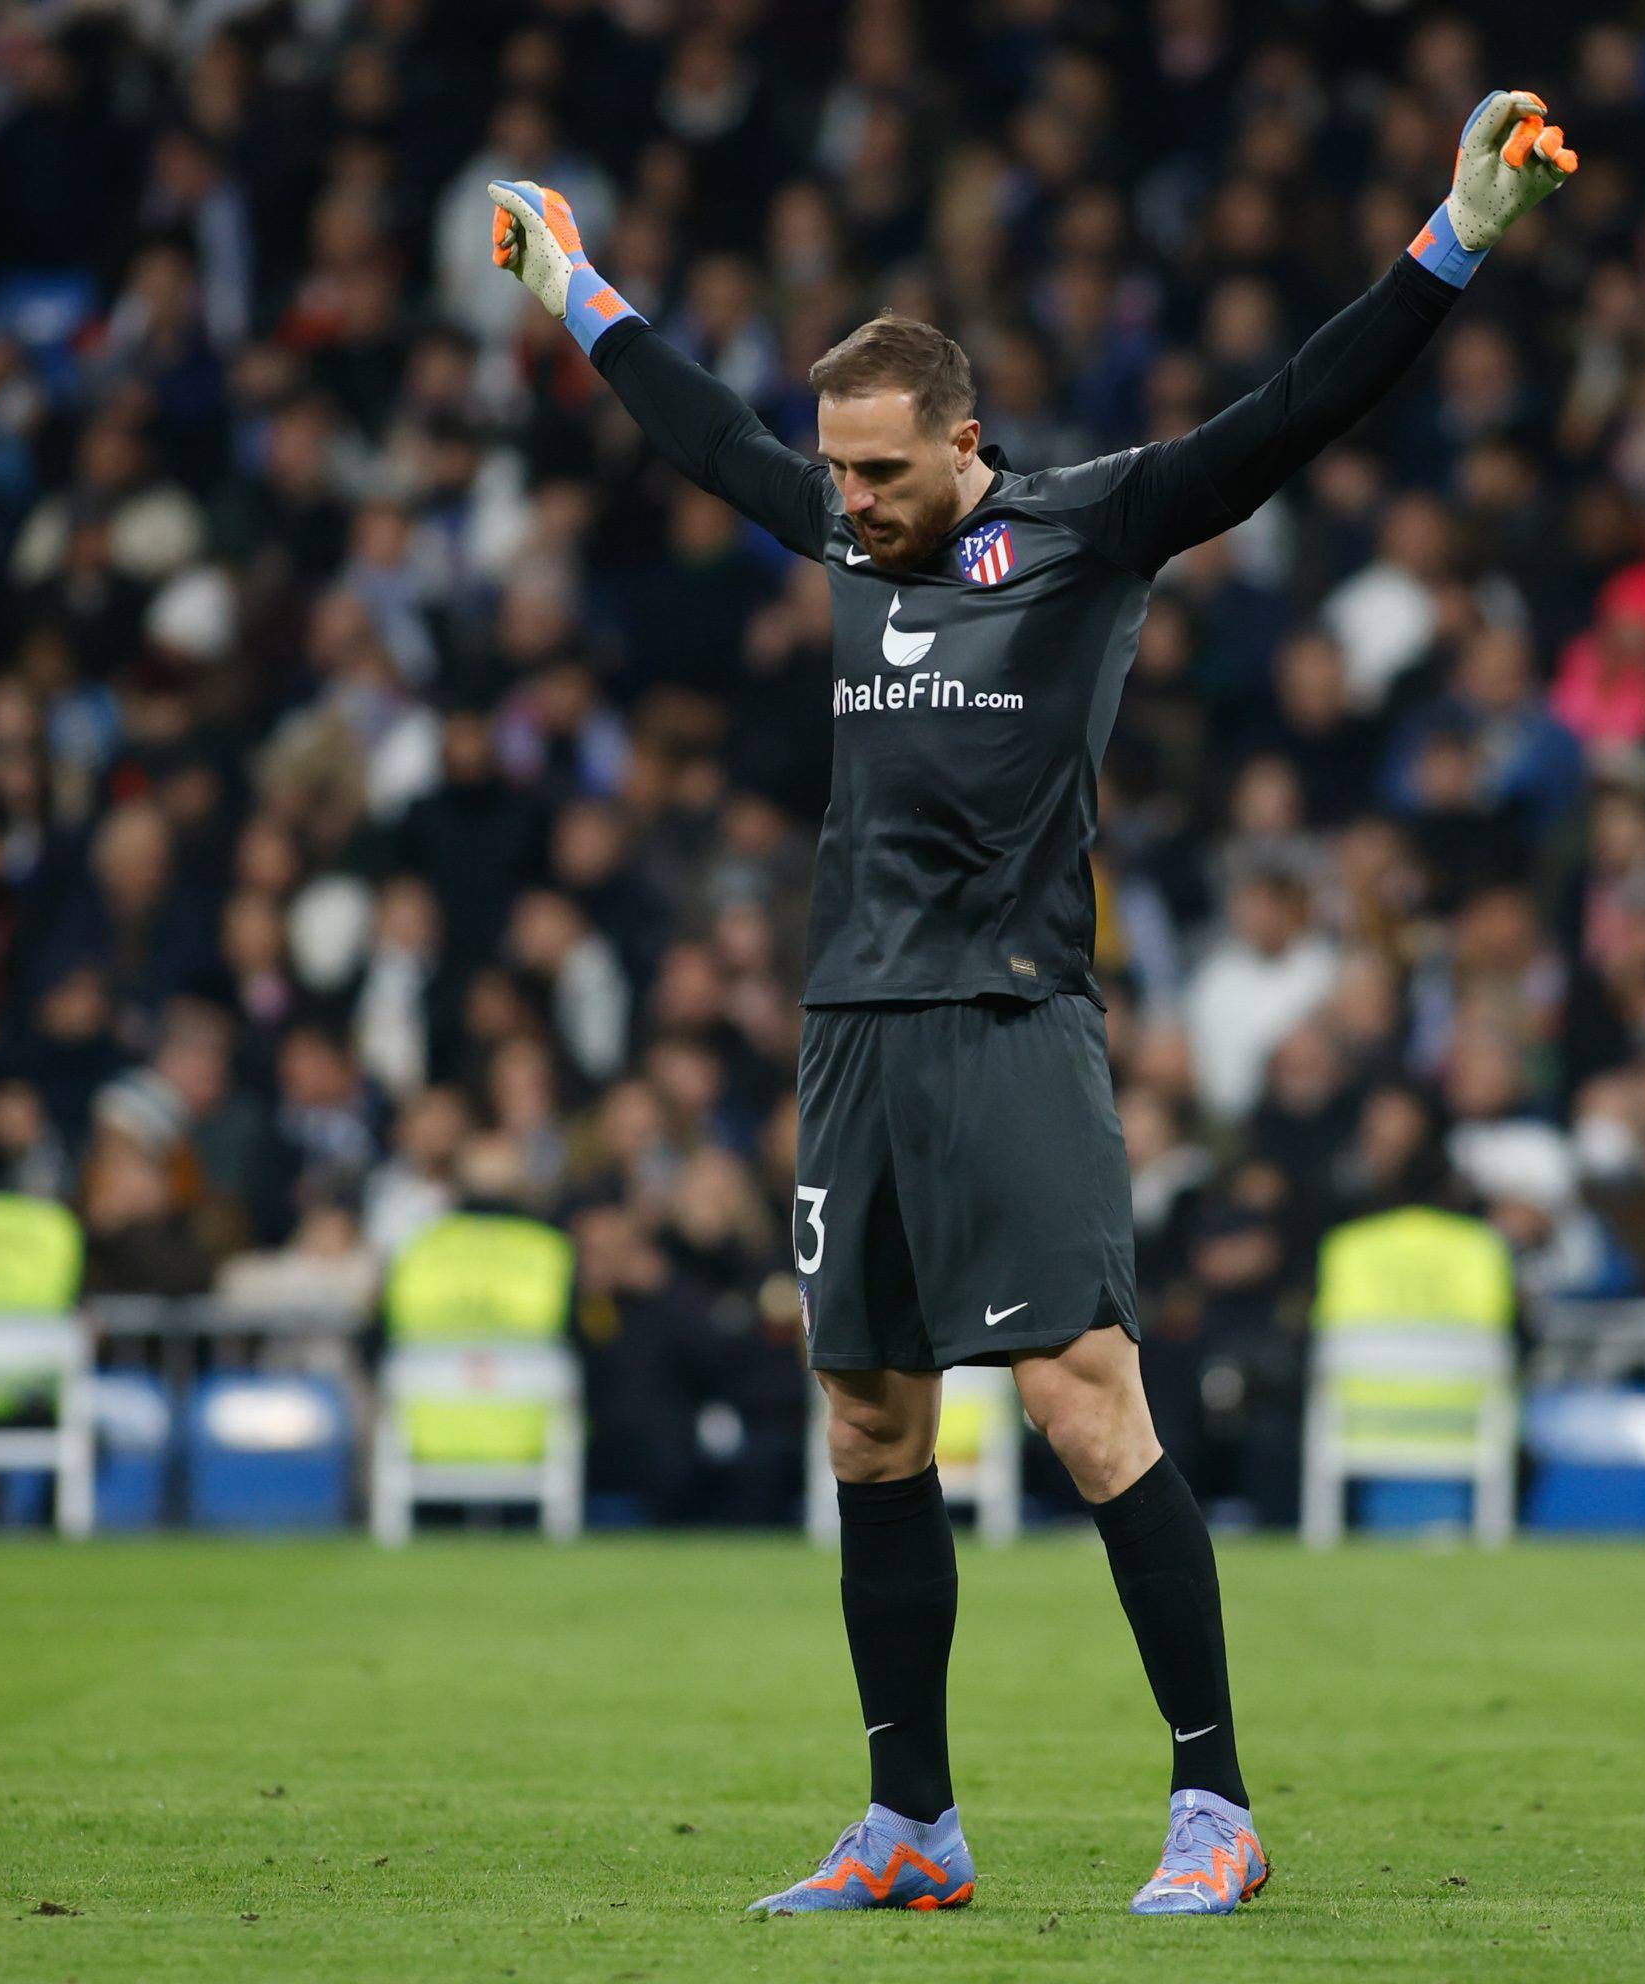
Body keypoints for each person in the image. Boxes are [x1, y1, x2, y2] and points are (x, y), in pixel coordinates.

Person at [492, 87, 1578, 1919]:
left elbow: (1291, 414)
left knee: (1088, 1404)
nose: (848, 502)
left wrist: (1453, 239)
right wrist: (579, 294)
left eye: (882, 472)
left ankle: (1214, 1803)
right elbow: (705, 436)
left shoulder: (1089, 529)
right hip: (852, 1031)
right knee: (869, 1423)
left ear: (965, 442)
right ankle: (910, 1819)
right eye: (836, 473)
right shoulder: (842, 539)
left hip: (1012, 1022)